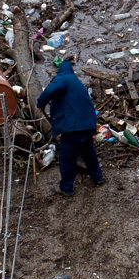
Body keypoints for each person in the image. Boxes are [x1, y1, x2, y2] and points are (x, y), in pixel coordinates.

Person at [36, 59, 102, 196]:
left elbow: (51, 89)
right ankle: (98, 177)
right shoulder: (78, 83)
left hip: (73, 127)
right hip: (87, 125)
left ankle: (66, 188)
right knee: (88, 152)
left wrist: (40, 103)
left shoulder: (63, 79)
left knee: (66, 158)